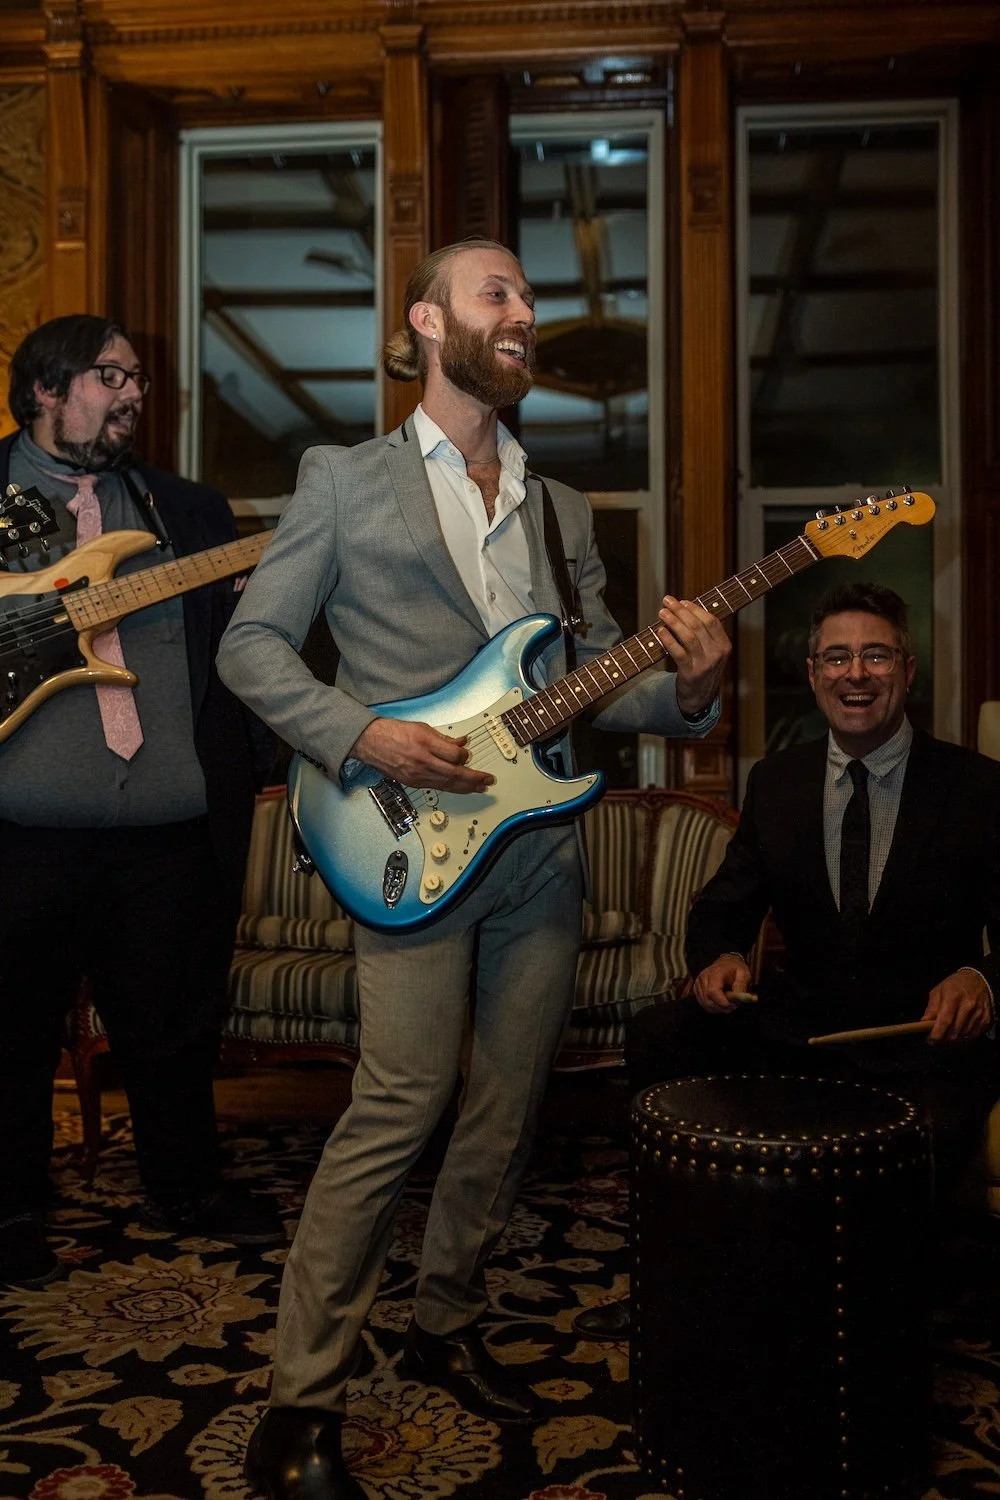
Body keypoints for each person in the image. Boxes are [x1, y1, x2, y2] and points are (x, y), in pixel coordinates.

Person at [215, 237, 732, 1500]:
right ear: (425, 321)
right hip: (400, 840)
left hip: (538, 856)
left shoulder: (563, 511)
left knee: (503, 1115)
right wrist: (361, 731)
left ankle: (442, 1327)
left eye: (528, 295)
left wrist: (698, 682)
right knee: (396, 1108)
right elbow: (250, 648)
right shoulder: (341, 477)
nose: (525, 310)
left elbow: (600, 686)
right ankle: (302, 1399)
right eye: (496, 292)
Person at [574, 579, 1000, 1342]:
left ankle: (877, 1309)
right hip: (801, 1031)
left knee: (927, 1147)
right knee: (660, 1037)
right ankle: (683, 1282)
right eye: (836, 658)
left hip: (925, 1043)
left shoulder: (978, 787)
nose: (855, 674)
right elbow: (721, 908)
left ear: (908, 670)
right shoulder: (778, 782)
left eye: (875, 655)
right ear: (812, 675)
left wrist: (982, 980)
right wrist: (721, 960)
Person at [0, 314, 278, 1291]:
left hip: (169, 833)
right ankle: (11, 1210)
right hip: (20, 838)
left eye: (138, 380)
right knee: (12, 1035)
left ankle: (187, 1186)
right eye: (108, 375)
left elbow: (247, 657)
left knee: (173, 1028)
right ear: (45, 387)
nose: (130, 393)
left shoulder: (184, 512)